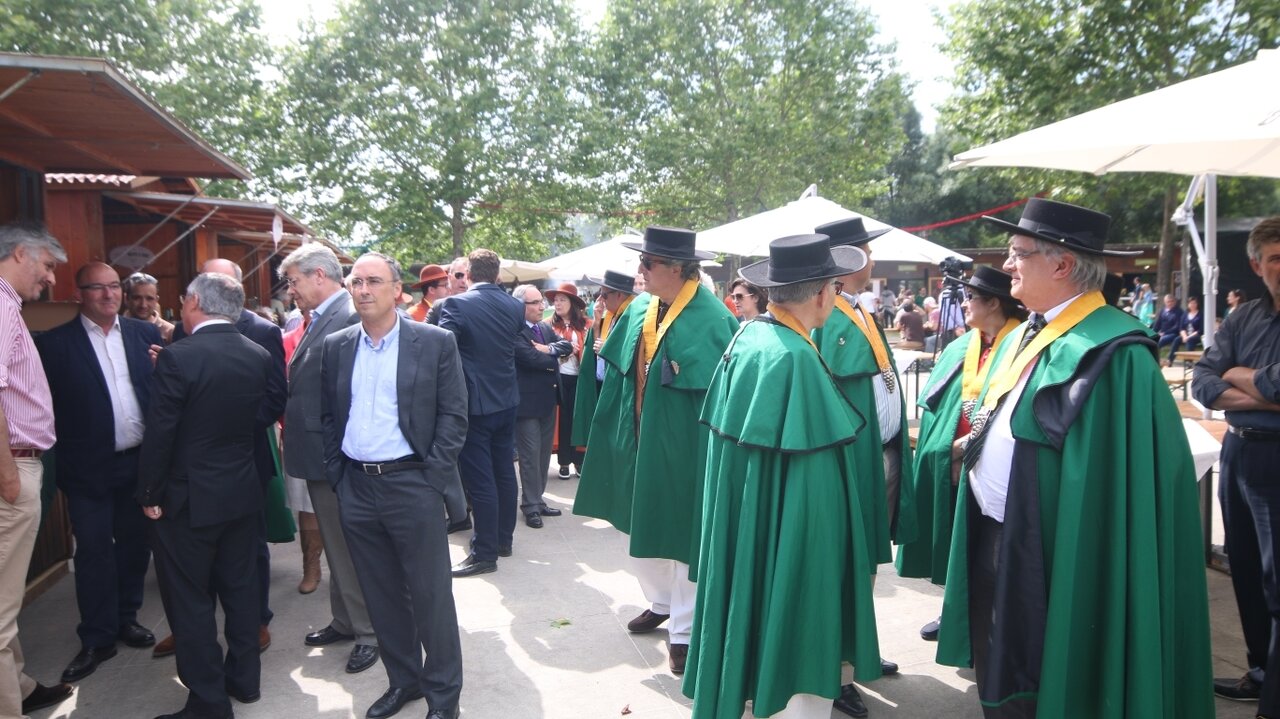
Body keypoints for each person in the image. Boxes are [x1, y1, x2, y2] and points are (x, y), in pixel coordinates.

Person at [938, 198, 1212, 717]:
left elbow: (1132, 476)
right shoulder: (1026, 331)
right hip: (996, 532)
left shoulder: (1118, 352)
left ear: (1062, 264)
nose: (1007, 265)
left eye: (1018, 253)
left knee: (1050, 672)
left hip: (1059, 551)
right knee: (1000, 665)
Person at [684, 234, 880, 719]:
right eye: (835, 287)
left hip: (754, 519)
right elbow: (810, 492)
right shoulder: (794, 356)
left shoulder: (749, 336)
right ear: (822, 294)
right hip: (795, 534)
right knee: (800, 628)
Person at [573, 226, 739, 675]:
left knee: (683, 534)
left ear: (678, 268)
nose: (640, 270)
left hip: (685, 447)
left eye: (648, 263)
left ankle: (684, 630)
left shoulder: (713, 317)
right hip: (636, 438)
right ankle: (661, 602)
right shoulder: (639, 308)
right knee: (639, 529)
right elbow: (615, 376)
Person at [320, 252, 466, 719]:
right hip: (357, 487)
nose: (363, 290)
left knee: (430, 598)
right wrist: (339, 476)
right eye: (356, 281)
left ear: (397, 290)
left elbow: (454, 415)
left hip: (412, 485)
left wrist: (432, 479)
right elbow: (328, 415)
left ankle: (444, 699)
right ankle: (404, 682)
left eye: (373, 281)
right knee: (381, 597)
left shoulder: (434, 341)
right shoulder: (338, 345)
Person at [136, 272, 273, 719]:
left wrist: (149, 492)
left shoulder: (179, 357)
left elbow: (161, 432)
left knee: (190, 600)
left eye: (183, 300)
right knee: (241, 589)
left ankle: (209, 702)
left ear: (195, 302)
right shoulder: (256, 353)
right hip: (240, 489)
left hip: (187, 497)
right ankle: (245, 682)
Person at [153, 258, 286, 659]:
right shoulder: (184, 332)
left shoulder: (263, 332)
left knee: (245, 555)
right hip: (195, 469)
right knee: (198, 562)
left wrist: (228, 427)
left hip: (242, 459)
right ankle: (196, 632)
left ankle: (255, 622)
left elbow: (274, 398)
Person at [36, 262, 162, 683]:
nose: (109, 295)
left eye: (114, 287)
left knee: (134, 546)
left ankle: (127, 618)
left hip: (137, 462)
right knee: (92, 551)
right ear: (79, 294)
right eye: (97, 288)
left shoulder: (143, 335)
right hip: (88, 467)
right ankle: (97, 636)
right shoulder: (56, 344)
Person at [811, 216, 914, 717]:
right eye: (866, 251)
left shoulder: (856, 308)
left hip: (877, 453)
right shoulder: (828, 314)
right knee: (846, 565)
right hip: (852, 461)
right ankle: (837, 671)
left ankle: (857, 650)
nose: (872, 259)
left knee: (867, 562)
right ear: (848, 258)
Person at [893, 267, 1025, 642]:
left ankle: (993, 624)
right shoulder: (960, 347)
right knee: (956, 544)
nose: (964, 305)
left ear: (993, 303)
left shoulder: (1021, 346)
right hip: (954, 466)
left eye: (971, 298)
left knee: (991, 551)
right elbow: (938, 409)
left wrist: (965, 447)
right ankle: (954, 613)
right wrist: (945, 453)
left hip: (995, 468)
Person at [278, 243, 381, 674]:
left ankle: (369, 631)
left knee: (347, 548)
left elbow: (358, 392)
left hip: (336, 456)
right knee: (338, 547)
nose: (291, 291)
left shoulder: (350, 315)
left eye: (294, 281)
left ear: (319, 275)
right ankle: (345, 620)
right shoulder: (326, 316)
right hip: (322, 454)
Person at [1194, 216, 1280, 710]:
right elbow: (1204, 381)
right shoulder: (1244, 317)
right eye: (1275, 258)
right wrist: (1263, 390)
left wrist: (1239, 374)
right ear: (1256, 265)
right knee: (1245, 569)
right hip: (1238, 451)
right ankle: (1261, 670)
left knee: (1277, 579)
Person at [0, 223, 75, 716]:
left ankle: (20, 687)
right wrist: (8, 474)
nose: (50, 278)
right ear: (19, 254)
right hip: (11, 469)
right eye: (47, 265)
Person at [440, 249, 525, 578]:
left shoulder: (456, 304)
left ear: (470, 275)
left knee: (481, 480)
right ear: (497, 274)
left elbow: (443, 350)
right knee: (503, 471)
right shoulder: (514, 305)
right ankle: (503, 540)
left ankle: (485, 552)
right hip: (507, 399)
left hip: (475, 405)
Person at [511, 285, 571, 528]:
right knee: (530, 457)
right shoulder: (515, 331)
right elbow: (530, 358)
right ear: (520, 306)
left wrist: (549, 349)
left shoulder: (544, 328)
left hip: (548, 401)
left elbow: (567, 345)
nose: (541, 306)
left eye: (540, 301)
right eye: (534, 302)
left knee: (544, 456)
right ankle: (530, 506)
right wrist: (554, 358)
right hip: (526, 405)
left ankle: (538, 499)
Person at [570, 270, 637, 452]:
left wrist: (608, 349)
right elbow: (599, 348)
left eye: (604, 295)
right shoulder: (611, 315)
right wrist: (597, 323)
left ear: (619, 295)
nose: (600, 299)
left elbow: (630, 353)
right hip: (603, 383)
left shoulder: (631, 316)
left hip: (619, 390)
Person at [545, 283, 588, 479]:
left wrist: (580, 352)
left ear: (573, 303)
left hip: (580, 377)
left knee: (578, 419)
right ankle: (563, 461)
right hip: (558, 378)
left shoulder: (587, 325)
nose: (558, 304)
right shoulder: (548, 325)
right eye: (555, 300)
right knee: (562, 420)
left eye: (562, 300)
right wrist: (563, 353)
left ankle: (579, 460)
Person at [121, 271, 175, 344]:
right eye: (137, 298)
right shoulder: (115, 329)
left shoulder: (169, 332)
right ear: (126, 299)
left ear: (156, 300)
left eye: (149, 299)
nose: (143, 305)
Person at [1166, 295, 1203, 365]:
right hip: (1186, 335)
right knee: (1176, 340)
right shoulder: (1185, 314)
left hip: (1196, 335)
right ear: (1188, 304)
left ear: (1197, 304)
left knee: (1190, 340)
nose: (1192, 305)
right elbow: (1181, 328)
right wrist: (1184, 336)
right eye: (1191, 303)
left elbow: (1200, 330)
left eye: (1194, 303)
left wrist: (1188, 337)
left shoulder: (1200, 314)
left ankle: (1189, 362)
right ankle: (1170, 360)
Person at [1152, 293, 1185, 358]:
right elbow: (1158, 323)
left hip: (1174, 334)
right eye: (1168, 302)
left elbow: (1177, 327)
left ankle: (1155, 358)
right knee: (1151, 339)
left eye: (1171, 301)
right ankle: (1152, 358)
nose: (1170, 303)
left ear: (1175, 301)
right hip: (1162, 333)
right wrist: (1152, 332)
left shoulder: (1179, 311)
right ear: (1165, 302)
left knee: (1160, 340)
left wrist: (1164, 333)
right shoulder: (1163, 311)